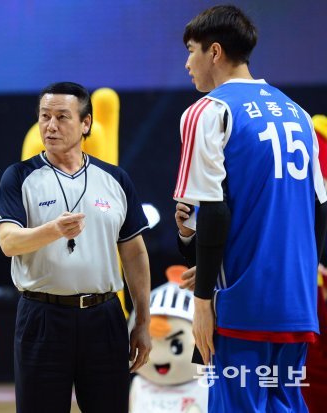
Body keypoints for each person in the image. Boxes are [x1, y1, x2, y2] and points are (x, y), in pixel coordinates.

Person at [174, 5, 327, 412]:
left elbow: (214, 210)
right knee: (285, 402)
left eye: (191, 51)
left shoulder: (207, 111)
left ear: (215, 52)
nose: (187, 63)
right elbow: (320, 211)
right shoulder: (298, 113)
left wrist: (204, 301)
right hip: (296, 305)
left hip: (241, 304)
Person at [0, 81, 152, 413]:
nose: (50, 126)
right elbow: (8, 242)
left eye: (62, 117)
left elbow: (134, 252)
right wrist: (53, 230)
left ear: (86, 124)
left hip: (104, 316)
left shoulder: (115, 179)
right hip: (42, 317)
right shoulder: (19, 176)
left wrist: (143, 322)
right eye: (44, 116)